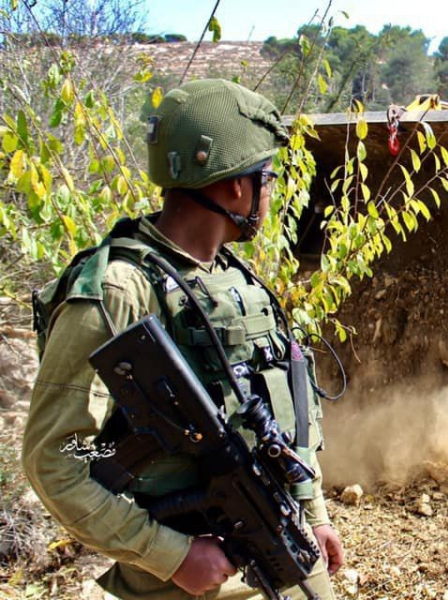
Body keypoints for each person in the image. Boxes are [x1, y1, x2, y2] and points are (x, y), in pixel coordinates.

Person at [21, 79, 343, 599]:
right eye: (267, 178)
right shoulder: (120, 289)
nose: (271, 192)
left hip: (282, 548)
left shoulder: (232, 277)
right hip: (184, 581)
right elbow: (53, 460)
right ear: (236, 187)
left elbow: (278, 417)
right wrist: (171, 555)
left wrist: (313, 513)